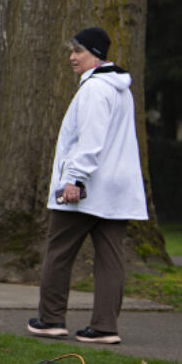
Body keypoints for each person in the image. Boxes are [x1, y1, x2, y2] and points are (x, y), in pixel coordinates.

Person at [26, 27, 147, 345]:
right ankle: (105, 325)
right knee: (111, 258)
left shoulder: (94, 90)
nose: (72, 57)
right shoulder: (121, 88)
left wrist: (74, 180)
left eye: (78, 51)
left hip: (87, 187)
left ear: (95, 54)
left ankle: (51, 319)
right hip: (117, 190)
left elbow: (90, 141)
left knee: (59, 251)